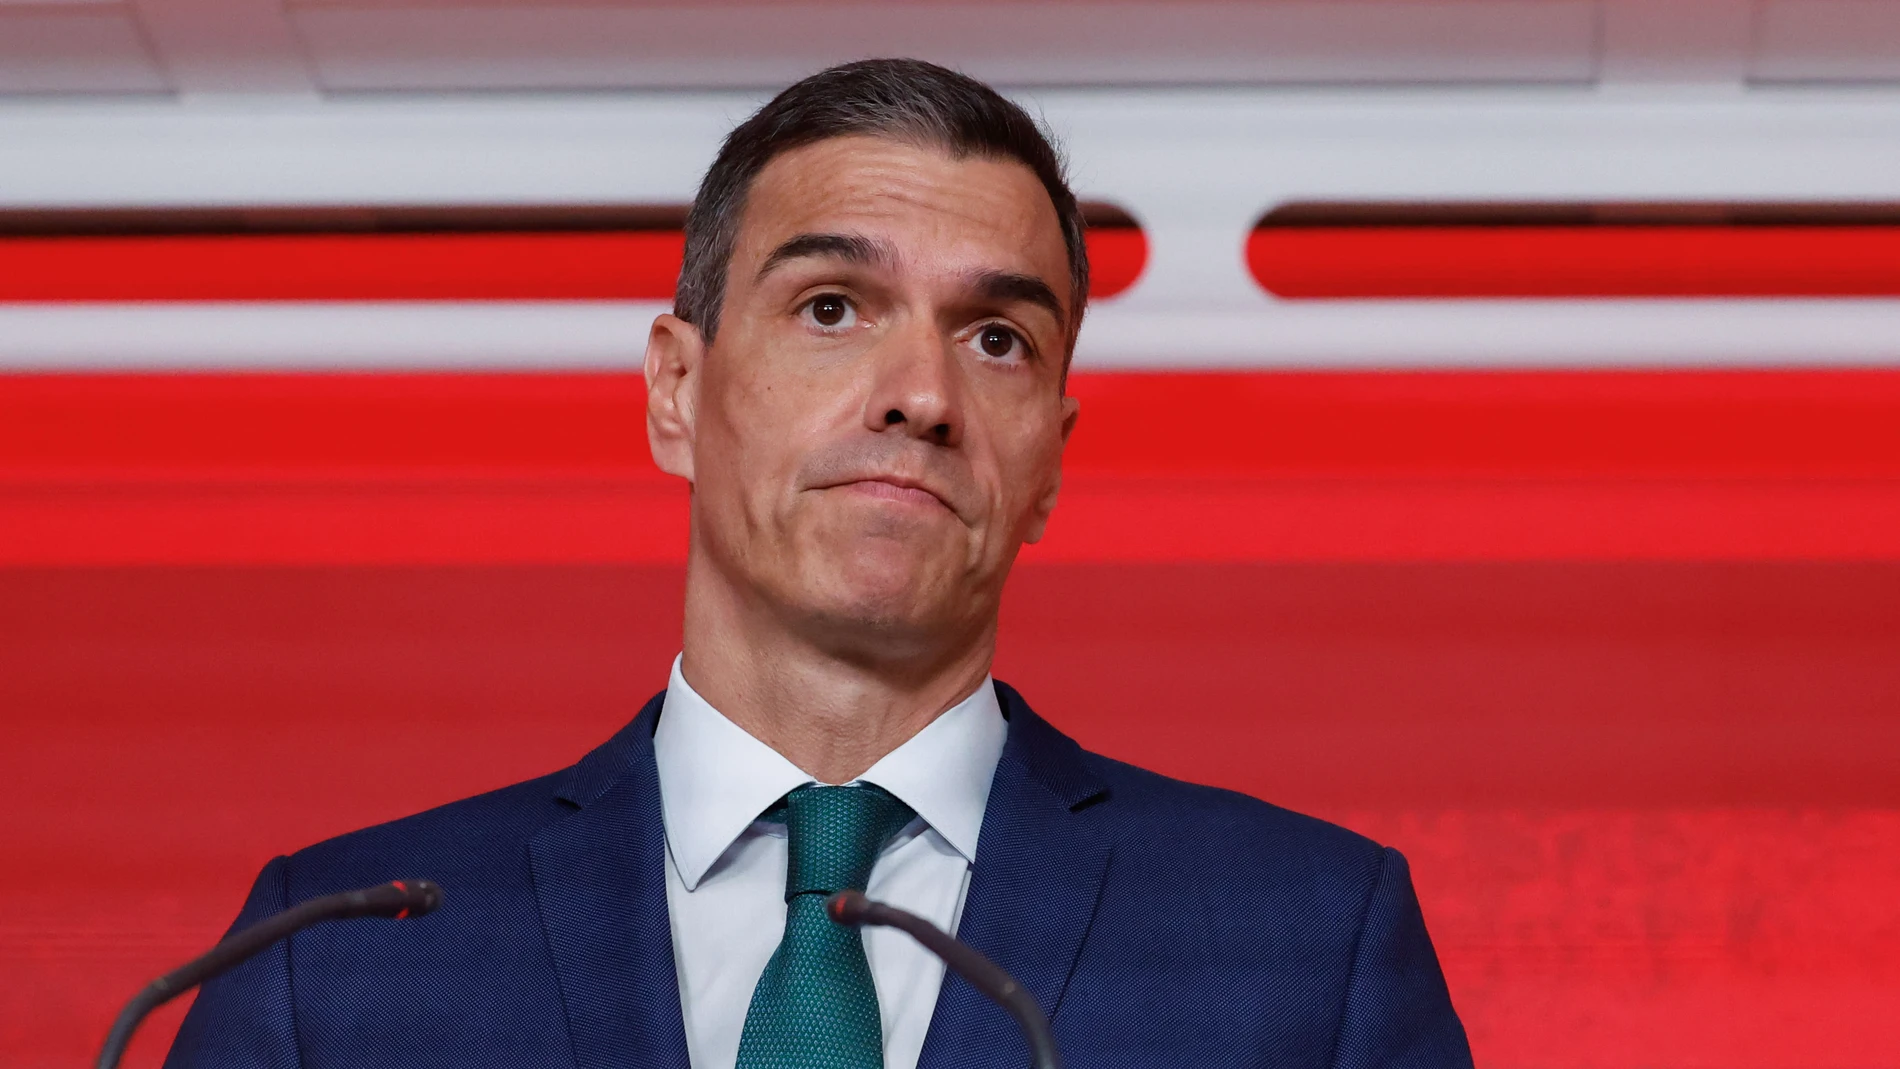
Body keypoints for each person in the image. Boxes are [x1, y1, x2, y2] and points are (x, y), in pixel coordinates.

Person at [167, 58, 1472, 1069]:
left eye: (999, 338)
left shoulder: (1302, 942)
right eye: (833, 308)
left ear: (1053, 462)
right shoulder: (337, 954)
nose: (921, 394)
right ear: (677, 390)